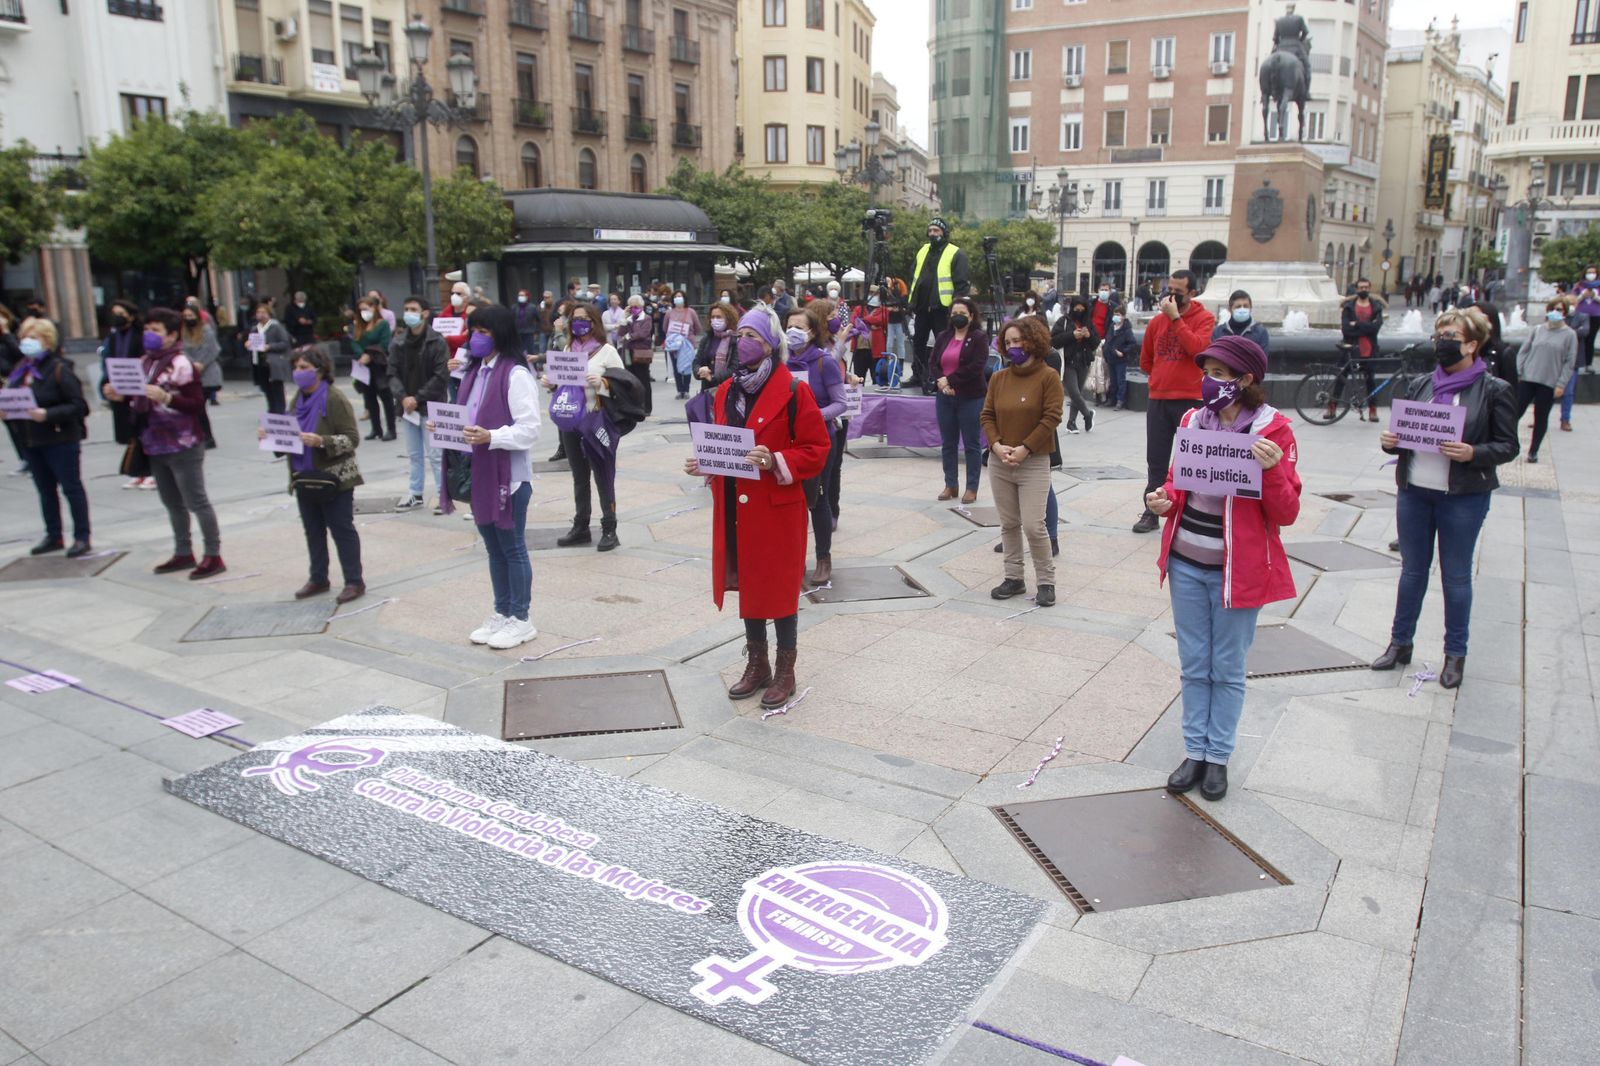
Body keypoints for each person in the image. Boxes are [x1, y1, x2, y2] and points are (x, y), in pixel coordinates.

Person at [1147, 335, 1301, 801]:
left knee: (1227, 667)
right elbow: (1179, 482)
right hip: (1187, 562)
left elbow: (1287, 513)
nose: (1208, 382)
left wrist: (1273, 472)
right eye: (1206, 372)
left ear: (1245, 380)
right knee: (1195, 663)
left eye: (1218, 374)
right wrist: (1162, 499)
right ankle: (1194, 751)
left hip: (1239, 570)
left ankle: (1218, 758)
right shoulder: (1194, 419)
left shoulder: (1274, 431)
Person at [686, 305, 831, 710]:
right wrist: (705, 463)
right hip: (737, 504)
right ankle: (758, 663)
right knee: (749, 582)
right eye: (741, 336)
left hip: (777, 505)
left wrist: (777, 460)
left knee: (780, 588)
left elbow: (817, 449)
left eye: (755, 337)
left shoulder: (792, 391)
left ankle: (786, 668)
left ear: (771, 346)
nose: (744, 343)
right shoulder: (728, 389)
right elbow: (724, 443)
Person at [1374, 306, 1518, 689]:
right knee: (1411, 572)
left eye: (1451, 338)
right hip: (1416, 491)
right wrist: (1391, 443)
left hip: (1462, 497)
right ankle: (1399, 643)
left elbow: (1508, 445)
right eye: (1439, 337)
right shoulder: (1422, 384)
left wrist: (1473, 453)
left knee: (1455, 578)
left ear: (1472, 344)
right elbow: (1405, 434)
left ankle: (1455, 655)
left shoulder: (1493, 390)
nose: (1442, 345)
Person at [438, 306, 542, 650]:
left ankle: (521, 618)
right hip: (480, 475)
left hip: (508, 477)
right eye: (473, 330)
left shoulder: (515, 375)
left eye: (484, 331)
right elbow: (466, 419)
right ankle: (501, 611)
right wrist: (444, 427)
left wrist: (491, 437)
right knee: (494, 550)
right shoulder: (473, 373)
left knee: (512, 549)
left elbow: (529, 430)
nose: (476, 337)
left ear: (501, 333)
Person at [115, 308, 225, 579]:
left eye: (156, 330)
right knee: (171, 502)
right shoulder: (144, 362)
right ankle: (183, 551)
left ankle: (213, 555)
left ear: (172, 334)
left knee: (196, 500)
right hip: (153, 442)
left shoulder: (181, 364)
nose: (150, 335)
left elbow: (196, 404)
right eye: (147, 329)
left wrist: (166, 398)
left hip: (183, 443)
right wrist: (118, 394)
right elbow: (135, 399)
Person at [259, 348, 365, 603]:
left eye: (305, 367)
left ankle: (354, 580)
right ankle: (318, 578)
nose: (299, 372)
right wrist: (270, 436)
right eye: (296, 367)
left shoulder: (334, 398)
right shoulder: (297, 400)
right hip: (303, 475)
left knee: (341, 529)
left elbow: (352, 439)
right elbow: (289, 432)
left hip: (334, 478)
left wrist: (321, 441)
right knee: (313, 530)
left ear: (320, 370)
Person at [981, 316, 1063, 605]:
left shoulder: (1048, 376)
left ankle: (1046, 581)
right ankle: (1013, 577)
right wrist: (997, 444)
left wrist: (1025, 448)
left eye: (1018, 340)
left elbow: (1051, 417)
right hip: (1000, 460)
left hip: (1034, 461)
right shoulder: (999, 377)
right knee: (1009, 523)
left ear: (1033, 340)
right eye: (1008, 342)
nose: (1013, 346)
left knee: (1033, 524)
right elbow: (987, 415)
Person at [1135, 270, 1215, 533]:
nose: (1170, 296)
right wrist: (1160, 377)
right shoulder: (1156, 323)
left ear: (1192, 293)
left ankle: (1190, 510)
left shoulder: (1204, 318)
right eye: (1168, 289)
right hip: (1159, 399)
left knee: (1191, 461)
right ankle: (1151, 510)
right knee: (1156, 460)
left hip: (1191, 400)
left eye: (1177, 292)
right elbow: (1145, 361)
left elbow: (1199, 350)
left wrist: (1177, 320)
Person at [547, 302, 627, 550]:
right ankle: (581, 525)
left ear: (594, 321)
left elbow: (626, 387)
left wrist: (603, 382)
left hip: (595, 421)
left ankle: (609, 528)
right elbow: (563, 382)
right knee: (579, 476)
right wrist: (550, 382)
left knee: (603, 476)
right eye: (574, 319)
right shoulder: (569, 348)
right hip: (571, 422)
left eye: (583, 318)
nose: (578, 323)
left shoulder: (606, 351)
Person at [12, 318, 92, 557]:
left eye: (33, 338)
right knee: (45, 491)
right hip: (32, 440)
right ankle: (53, 534)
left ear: (47, 341)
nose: (27, 342)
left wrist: (47, 414)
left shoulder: (59, 369)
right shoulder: (22, 369)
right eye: (24, 337)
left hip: (60, 438)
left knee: (71, 488)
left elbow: (79, 406)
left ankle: (81, 536)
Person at [785, 303, 847, 585]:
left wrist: (812, 416)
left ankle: (823, 557)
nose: (792, 332)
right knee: (790, 501)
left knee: (816, 498)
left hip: (819, 440)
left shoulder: (825, 362)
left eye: (799, 327)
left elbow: (840, 404)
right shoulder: (779, 362)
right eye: (788, 327)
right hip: (787, 441)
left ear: (812, 332)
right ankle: (793, 557)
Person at [389, 296, 452, 511]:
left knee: (436, 454)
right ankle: (415, 493)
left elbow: (440, 375)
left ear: (425, 313)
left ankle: (444, 496)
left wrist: (417, 398)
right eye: (406, 309)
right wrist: (403, 397)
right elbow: (392, 373)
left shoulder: (436, 341)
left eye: (413, 309)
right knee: (414, 454)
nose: (409, 313)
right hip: (408, 408)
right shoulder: (398, 342)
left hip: (430, 405)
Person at [930, 295, 989, 505]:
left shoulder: (979, 337)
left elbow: (976, 367)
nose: (958, 317)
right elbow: (934, 362)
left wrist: (951, 381)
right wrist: (942, 383)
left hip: (970, 397)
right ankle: (950, 484)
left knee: (972, 444)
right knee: (948, 443)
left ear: (971, 316)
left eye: (962, 314)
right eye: (954, 314)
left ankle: (971, 487)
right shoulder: (943, 336)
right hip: (944, 397)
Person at [907, 218, 971, 393]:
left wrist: (955, 308)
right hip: (922, 307)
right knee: (918, 342)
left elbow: (962, 285)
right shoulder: (923, 251)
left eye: (937, 230)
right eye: (931, 230)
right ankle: (918, 375)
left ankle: (943, 378)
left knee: (944, 345)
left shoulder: (955, 253)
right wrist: (911, 302)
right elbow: (914, 276)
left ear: (944, 232)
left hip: (943, 309)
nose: (933, 233)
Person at [1514, 299, 1578, 462]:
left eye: (1559, 309)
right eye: (1553, 309)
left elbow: (1569, 362)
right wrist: (1519, 370)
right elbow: (1524, 351)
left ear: (1565, 313)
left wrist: (1561, 384)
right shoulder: (1537, 330)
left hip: (1549, 382)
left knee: (1540, 417)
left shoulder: (1570, 335)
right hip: (1529, 377)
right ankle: (1508, 444)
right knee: (1515, 413)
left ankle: (1533, 451)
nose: (1555, 312)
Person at [101, 300, 147, 483]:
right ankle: (137, 470)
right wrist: (107, 384)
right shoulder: (112, 338)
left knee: (140, 430)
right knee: (129, 432)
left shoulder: (140, 335)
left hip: (136, 388)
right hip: (118, 386)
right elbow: (107, 363)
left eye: (120, 313)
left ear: (131, 315)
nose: (117, 317)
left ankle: (145, 471)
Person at [1337, 279, 1385, 422]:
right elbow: (1346, 330)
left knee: (1370, 380)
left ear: (1369, 288)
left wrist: (1357, 324)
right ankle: (1331, 406)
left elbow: (1376, 329)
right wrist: (1366, 328)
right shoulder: (1349, 307)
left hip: (1369, 350)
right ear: (1356, 289)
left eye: (1366, 287)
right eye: (1361, 287)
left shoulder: (1376, 307)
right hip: (1351, 350)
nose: (1363, 289)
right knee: (1341, 377)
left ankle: (1372, 410)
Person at [1050, 295, 1099, 434]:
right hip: (1068, 362)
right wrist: (1072, 335)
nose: (1079, 312)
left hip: (1083, 361)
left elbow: (1095, 343)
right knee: (1074, 393)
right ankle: (1088, 414)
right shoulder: (1064, 321)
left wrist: (1089, 336)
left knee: (1077, 392)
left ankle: (1071, 423)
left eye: (1082, 310)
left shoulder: (1088, 323)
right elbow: (1054, 340)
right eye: (1076, 309)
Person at [248, 301, 292, 415]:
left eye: (263, 312)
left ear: (269, 314)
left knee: (277, 388)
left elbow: (285, 343)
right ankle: (272, 409)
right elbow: (253, 344)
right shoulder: (255, 329)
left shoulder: (275, 327)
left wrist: (269, 346)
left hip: (274, 362)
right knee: (266, 388)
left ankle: (280, 410)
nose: (260, 315)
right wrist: (248, 344)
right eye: (258, 312)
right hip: (259, 362)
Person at [180, 301, 223, 412]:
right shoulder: (183, 333)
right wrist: (192, 363)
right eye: (185, 316)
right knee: (197, 408)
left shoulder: (206, 330)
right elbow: (182, 350)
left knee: (200, 406)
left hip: (207, 372)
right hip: (190, 372)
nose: (188, 318)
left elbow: (212, 350)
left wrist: (201, 363)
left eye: (190, 315)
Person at [1557, 296, 1589, 431]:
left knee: (1568, 392)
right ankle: (1540, 418)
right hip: (1556, 359)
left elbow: (1584, 331)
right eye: (1568, 303)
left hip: (1573, 360)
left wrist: (1566, 332)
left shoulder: (1582, 316)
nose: (1570, 306)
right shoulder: (1558, 316)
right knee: (1545, 391)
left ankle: (1565, 420)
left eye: (1572, 303)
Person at [694, 301, 741, 392]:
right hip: (707, 389)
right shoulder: (707, 338)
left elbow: (735, 368)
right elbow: (696, 361)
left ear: (728, 318)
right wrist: (699, 371)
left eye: (719, 317)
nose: (715, 320)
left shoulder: (735, 340)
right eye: (713, 317)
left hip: (729, 389)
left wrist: (713, 377)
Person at [664, 290, 702, 400]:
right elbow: (665, 327)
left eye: (680, 296)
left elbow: (698, 327)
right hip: (674, 345)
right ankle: (679, 390)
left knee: (686, 367)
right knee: (676, 368)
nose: (678, 298)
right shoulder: (669, 313)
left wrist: (689, 334)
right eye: (676, 296)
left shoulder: (691, 312)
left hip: (688, 344)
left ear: (684, 298)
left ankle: (686, 390)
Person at [622, 294, 655, 416]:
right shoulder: (629, 319)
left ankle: (647, 407)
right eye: (632, 306)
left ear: (641, 306)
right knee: (631, 380)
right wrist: (623, 318)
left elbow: (643, 333)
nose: (634, 308)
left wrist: (629, 336)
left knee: (643, 380)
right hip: (628, 352)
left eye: (636, 306)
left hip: (641, 352)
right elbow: (621, 332)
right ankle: (634, 406)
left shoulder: (646, 318)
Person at [1101, 307, 1136, 410]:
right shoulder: (1112, 327)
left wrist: (1123, 352)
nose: (1116, 317)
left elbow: (1132, 343)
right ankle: (1112, 399)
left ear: (1123, 316)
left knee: (1121, 380)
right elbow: (1108, 340)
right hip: (1111, 357)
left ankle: (1120, 400)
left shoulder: (1126, 329)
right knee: (1113, 380)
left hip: (1120, 359)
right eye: (1115, 314)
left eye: (1119, 315)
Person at [1575, 265, 1600, 372]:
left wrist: (1595, 297)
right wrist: (1582, 296)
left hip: (1596, 316)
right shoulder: (1579, 285)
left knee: (1590, 339)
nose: (1591, 275)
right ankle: (1576, 363)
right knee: (1578, 339)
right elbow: (1572, 300)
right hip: (1580, 315)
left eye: (1593, 272)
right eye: (1589, 272)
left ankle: (1588, 364)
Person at [513, 289, 540, 356]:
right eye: (519, 295)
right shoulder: (514, 307)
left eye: (522, 295)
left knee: (530, 350)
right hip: (518, 332)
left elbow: (538, 320)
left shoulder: (532, 307)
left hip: (529, 332)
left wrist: (536, 331)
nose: (520, 297)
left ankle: (532, 365)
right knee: (518, 350)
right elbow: (511, 319)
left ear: (527, 297)